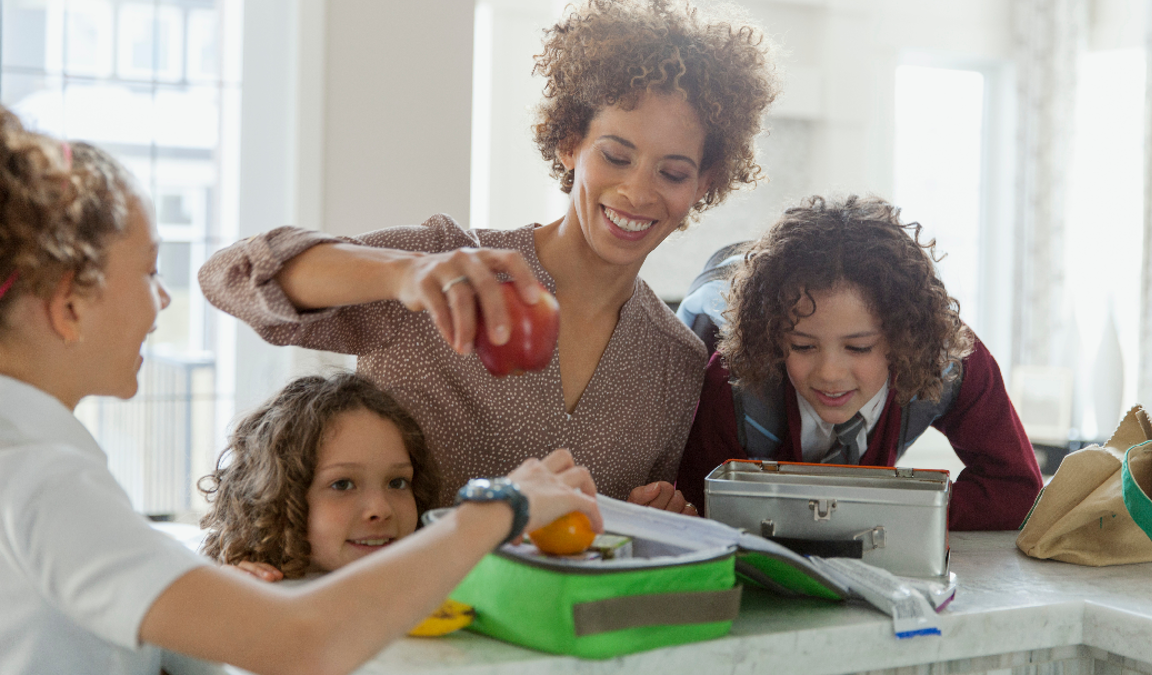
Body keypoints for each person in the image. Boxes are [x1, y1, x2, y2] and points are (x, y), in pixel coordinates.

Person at [0, 107, 600, 675]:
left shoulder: (34, 462)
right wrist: (504, 504)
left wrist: (208, 594)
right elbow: (304, 644)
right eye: (150, 271)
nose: (163, 299)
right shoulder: (42, 478)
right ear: (71, 304)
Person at [198, 0, 778, 512]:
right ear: (569, 142)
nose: (638, 191)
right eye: (617, 156)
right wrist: (406, 272)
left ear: (704, 184)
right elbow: (230, 277)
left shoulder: (674, 360)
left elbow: (613, 536)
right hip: (396, 618)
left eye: (673, 171)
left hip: (544, 632)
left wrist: (657, 514)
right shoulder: (445, 265)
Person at [675, 195, 1044, 530]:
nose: (830, 374)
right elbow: (702, 512)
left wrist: (883, 507)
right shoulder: (731, 380)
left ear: (902, 340)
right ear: (776, 340)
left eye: (859, 348)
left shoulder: (950, 357)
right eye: (803, 346)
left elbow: (1016, 490)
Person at [199, 372, 440, 581]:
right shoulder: (245, 586)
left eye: (397, 483)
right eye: (343, 484)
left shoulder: (437, 583)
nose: (381, 509)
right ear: (276, 498)